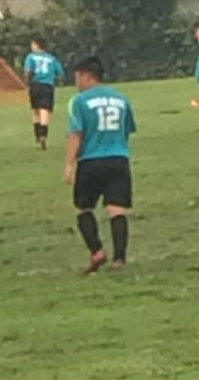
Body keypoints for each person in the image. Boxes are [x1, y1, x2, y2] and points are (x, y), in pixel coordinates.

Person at [64, 56, 137, 275]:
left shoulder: (79, 101)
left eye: (77, 77)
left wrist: (68, 164)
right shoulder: (121, 98)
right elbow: (127, 130)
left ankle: (96, 251)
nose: (76, 82)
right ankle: (119, 259)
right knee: (116, 209)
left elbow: (76, 134)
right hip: (118, 158)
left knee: (83, 208)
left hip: (91, 161)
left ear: (87, 76)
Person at [23, 37, 64, 150]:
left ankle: (37, 135)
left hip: (35, 85)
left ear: (36, 45)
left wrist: (27, 83)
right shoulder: (51, 58)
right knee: (44, 110)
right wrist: (58, 81)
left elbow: (28, 71)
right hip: (48, 85)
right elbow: (60, 73)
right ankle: (43, 135)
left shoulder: (31, 57)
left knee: (36, 110)